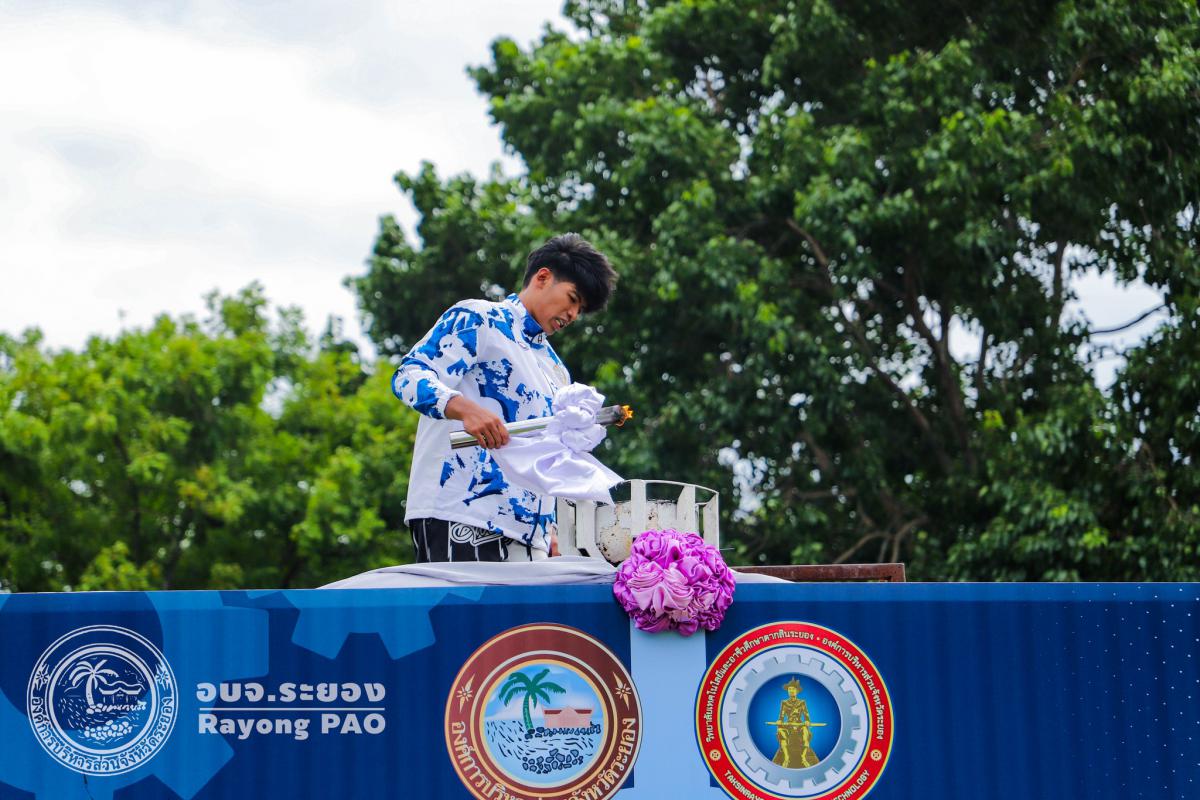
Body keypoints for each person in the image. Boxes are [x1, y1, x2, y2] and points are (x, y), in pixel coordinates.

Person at [393, 234, 617, 562]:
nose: (572, 314)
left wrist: (550, 527)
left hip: (532, 539)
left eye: (580, 309)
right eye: (572, 299)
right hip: (461, 513)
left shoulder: (556, 370)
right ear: (543, 277)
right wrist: (464, 409)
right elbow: (409, 375)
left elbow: (546, 452)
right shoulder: (478, 318)